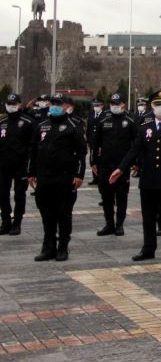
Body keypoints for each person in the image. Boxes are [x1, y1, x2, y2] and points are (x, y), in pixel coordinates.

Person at [111, 91, 161, 262]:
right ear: (152, 107)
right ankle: (148, 248)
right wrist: (121, 169)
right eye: (157, 105)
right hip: (148, 180)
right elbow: (134, 150)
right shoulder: (145, 127)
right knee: (148, 216)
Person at [27, 94, 87, 261]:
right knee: (46, 213)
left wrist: (79, 174)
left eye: (58, 104)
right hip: (44, 177)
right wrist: (31, 172)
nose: (54, 106)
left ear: (66, 106)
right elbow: (33, 150)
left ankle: (63, 247)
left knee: (63, 213)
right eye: (53, 103)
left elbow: (82, 152)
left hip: (65, 177)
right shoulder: (42, 126)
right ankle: (48, 247)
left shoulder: (73, 126)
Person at [92, 93, 137, 236]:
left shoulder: (130, 121)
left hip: (122, 166)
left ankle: (119, 224)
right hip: (105, 165)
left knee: (122, 196)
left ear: (123, 104)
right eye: (112, 104)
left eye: (117, 104)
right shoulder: (103, 120)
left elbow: (136, 144)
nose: (115, 106)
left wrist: (135, 163)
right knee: (106, 196)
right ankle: (109, 224)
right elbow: (95, 143)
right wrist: (93, 162)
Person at [0, 94, 35, 235]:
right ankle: (5, 222)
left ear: (20, 104)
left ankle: (17, 223)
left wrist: (31, 168)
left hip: (21, 166)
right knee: (2, 194)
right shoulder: (2, 122)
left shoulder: (28, 122)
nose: (11, 105)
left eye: (14, 103)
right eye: (9, 103)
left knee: (19, 195)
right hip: (3, 165)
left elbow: (33, 146)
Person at [86, 99, 106, 185]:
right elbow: (88, 129)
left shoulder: (105, 115)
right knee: (93, 160)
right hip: (92, 141)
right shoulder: (91, 115)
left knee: (101, 160)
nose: (96, 107)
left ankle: (101, 177)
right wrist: (88, 139)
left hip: (101, 142)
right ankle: (95, 177)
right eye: (95, 105)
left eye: (98, 105)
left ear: (102, 106)